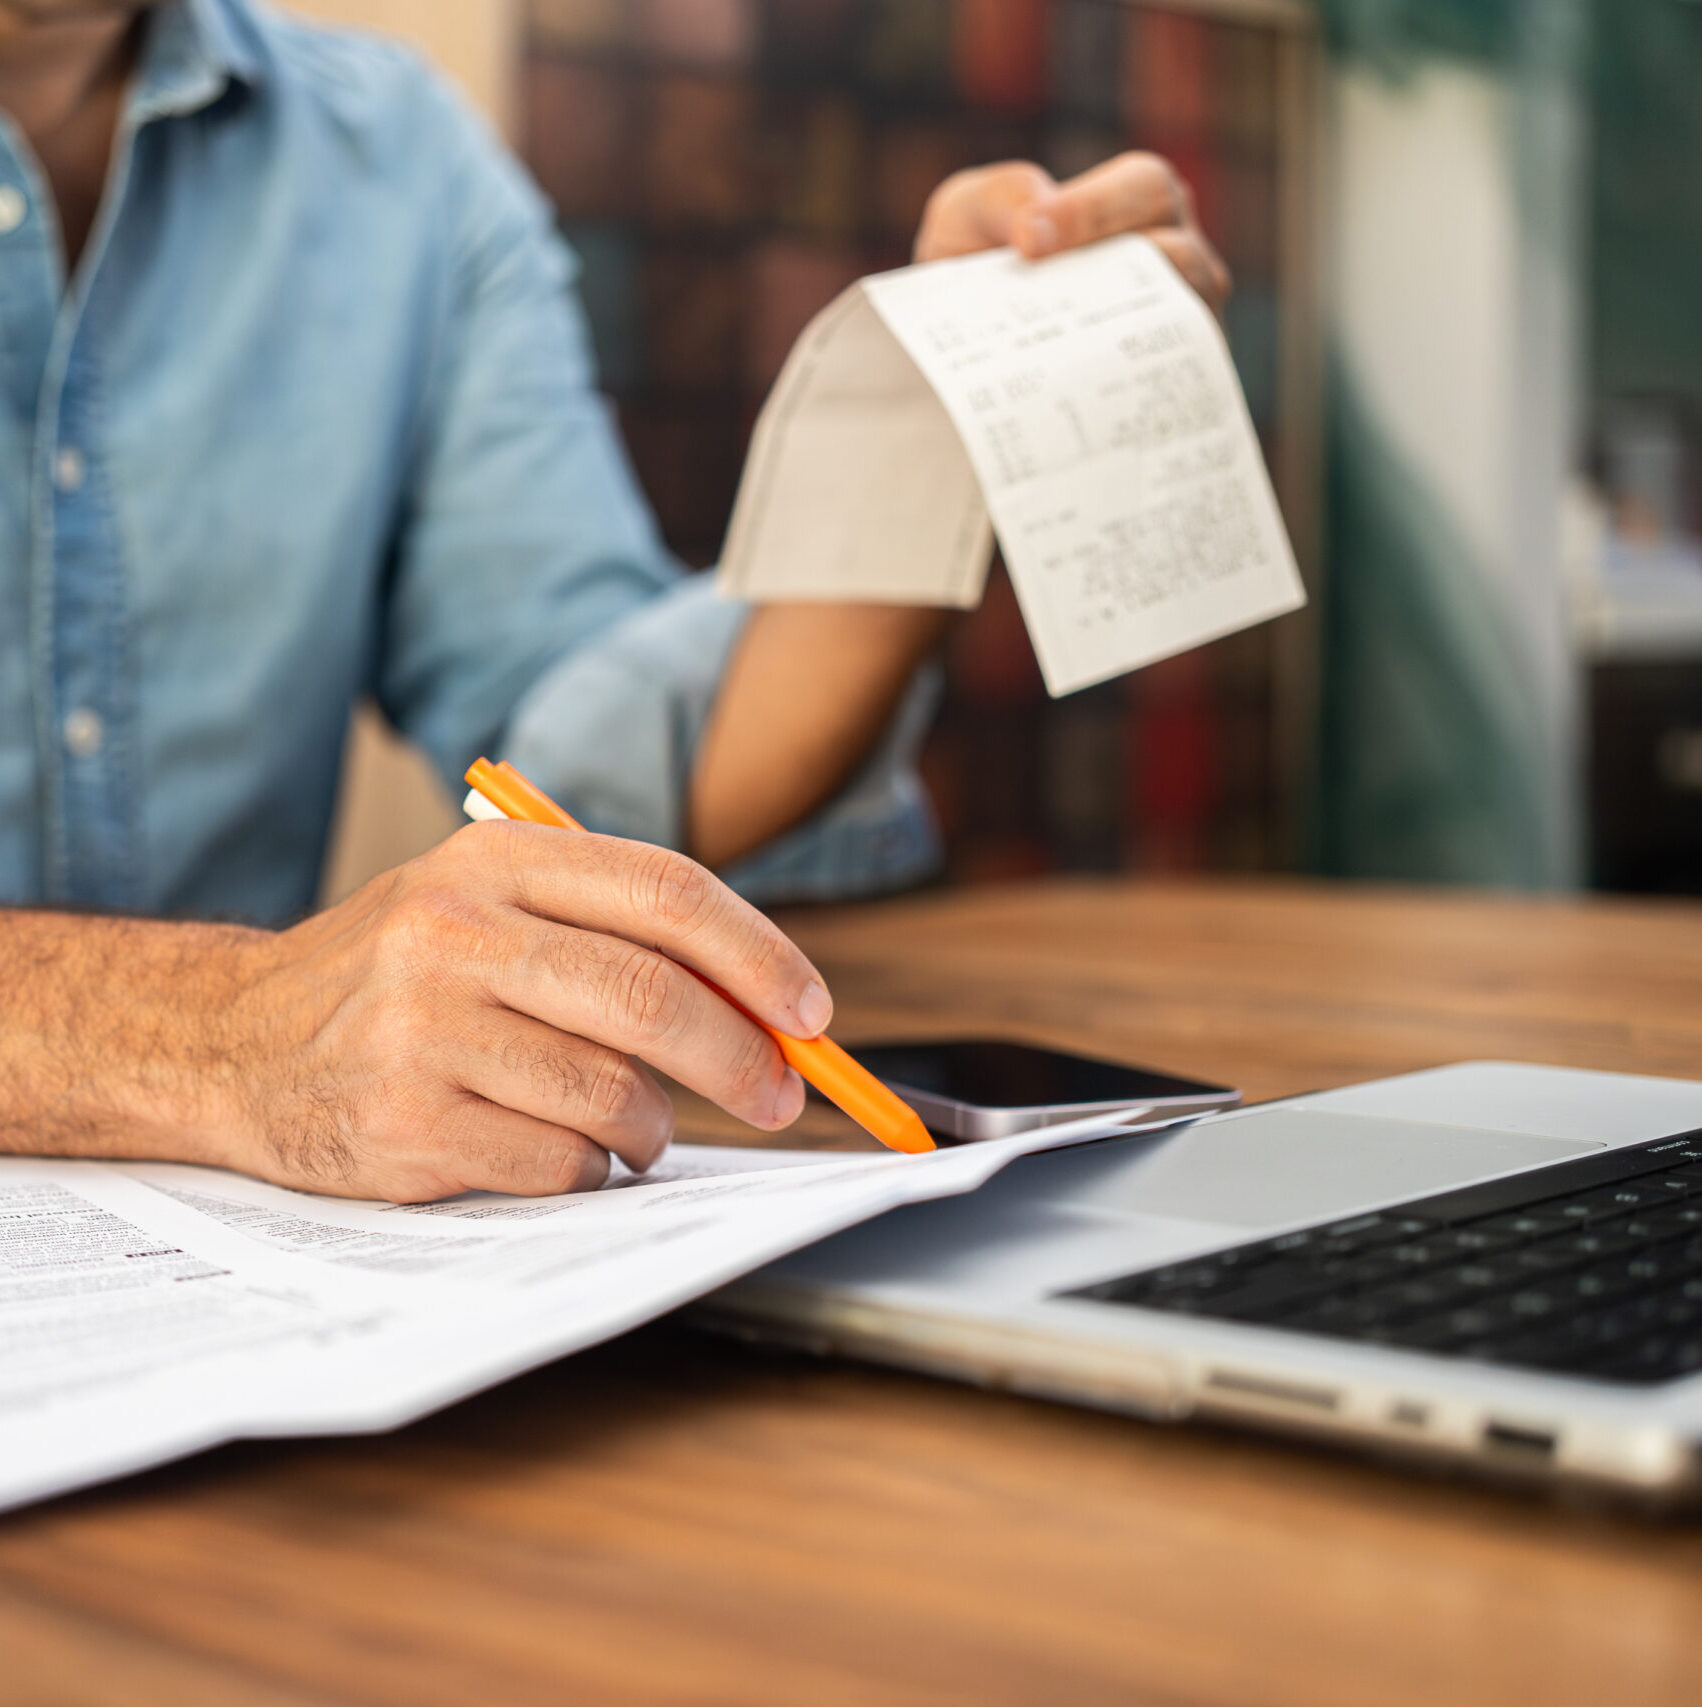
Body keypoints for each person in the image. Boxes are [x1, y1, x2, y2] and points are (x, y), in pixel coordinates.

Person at [0, 0, 1229, 1202]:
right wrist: (221, 1032)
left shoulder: (395, 159)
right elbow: (244, 1036)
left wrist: (939, 418)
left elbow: (599, 783)